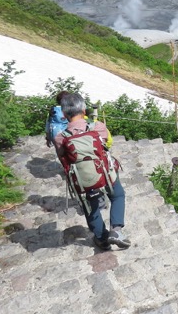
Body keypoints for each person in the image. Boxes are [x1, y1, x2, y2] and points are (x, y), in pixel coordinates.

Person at [54, 92, 131, 250]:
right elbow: (108, 144)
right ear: (83, 110)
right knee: (117, 195)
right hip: (105, 173)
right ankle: (116, 230)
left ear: (64, 114)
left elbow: (63, 159)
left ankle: (102, 239)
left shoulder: (60, 137)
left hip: (82, 180)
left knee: (90, 206)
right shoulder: (98, 127)